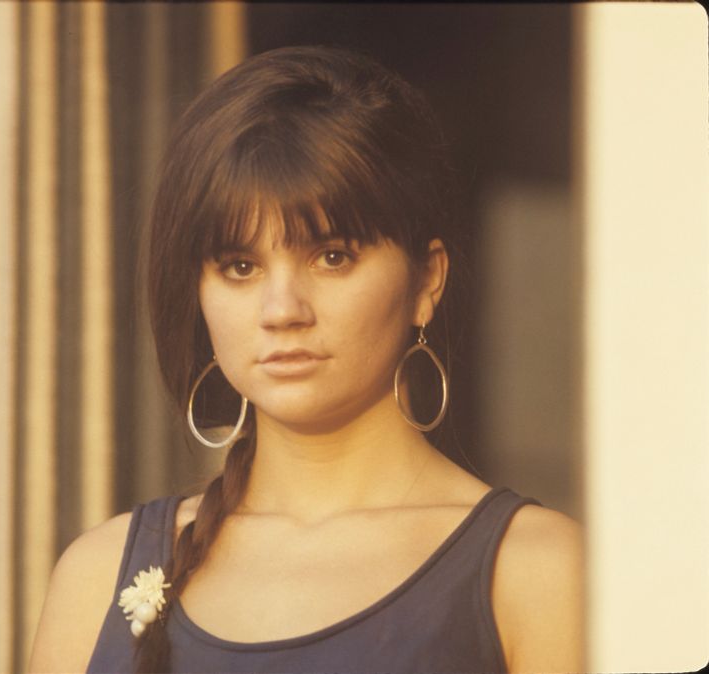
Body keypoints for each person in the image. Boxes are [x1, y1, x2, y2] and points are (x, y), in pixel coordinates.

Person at [29, 45, 583, 673]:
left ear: (426, 280)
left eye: (332, 257)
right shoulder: (96, 577)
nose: (282, 309)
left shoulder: (536, 572)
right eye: (240, 267)